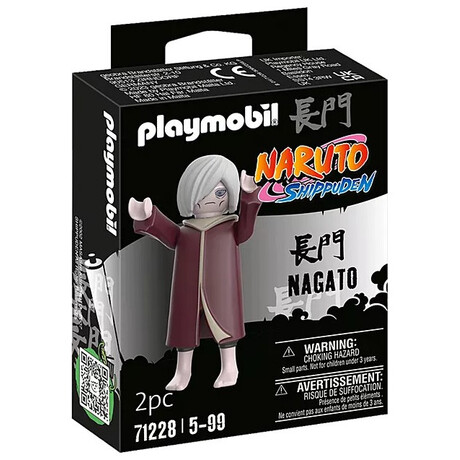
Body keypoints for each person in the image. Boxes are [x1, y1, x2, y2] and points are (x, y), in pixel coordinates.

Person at [128, 155, 262, 390]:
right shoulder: (185, 231)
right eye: (201, 193)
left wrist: (249, 195)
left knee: (226, 330)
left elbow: (246, 229)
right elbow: (166, 233)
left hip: (222, 287)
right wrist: (148, 216)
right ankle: (182, 372)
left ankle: (230, 368)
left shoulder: (230, 228)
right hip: (187, 288)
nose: (210, 199)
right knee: (184, 330)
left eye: (219, 193)